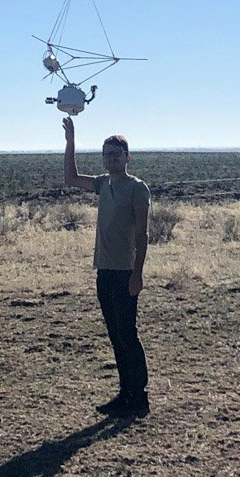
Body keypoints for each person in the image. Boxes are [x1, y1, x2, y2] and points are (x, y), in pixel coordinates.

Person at [62, 116, 151, 417]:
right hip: (104, 270)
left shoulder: (138, 189)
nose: (111, 159)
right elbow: (71, 178)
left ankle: (139, 397)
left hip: (126, 271)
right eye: (107, 154)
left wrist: (137, 274)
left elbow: (142, 233)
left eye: (116, 154)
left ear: (128, 157)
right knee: (115, 334)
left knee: (127, 332)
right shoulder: (102, 184)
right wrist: (70, 140)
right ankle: (124, 394)